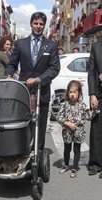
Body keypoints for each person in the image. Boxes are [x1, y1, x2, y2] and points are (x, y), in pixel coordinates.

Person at [5, 11, 60, 150]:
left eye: (41, 24)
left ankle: (38, 153)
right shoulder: (20, 44)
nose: (38, 26)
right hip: (23, 90)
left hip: (42, 90)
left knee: (40, 123)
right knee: (23, 120)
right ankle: (23, 150)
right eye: (36, 23)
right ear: (31, 24)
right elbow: (12, 64)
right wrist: (9, 76)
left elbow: (54, 68)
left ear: (44, 25)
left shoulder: (51, 45)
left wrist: (38, 79)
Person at [56, 80, 95, 178]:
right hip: (67, 132)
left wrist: (93, 110)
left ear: (79, 93)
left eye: (75, 92)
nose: (72, 95)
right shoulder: (64, 104)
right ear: (67, 93)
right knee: (67, 149)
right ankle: (66, 164)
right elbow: (59, 117)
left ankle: (75, 167)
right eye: (70, 92)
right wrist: (67, 123)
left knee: (77, 150)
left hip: (78, 132)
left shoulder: (82, 106)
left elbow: (88, 116)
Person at [87, 41, 102, 178]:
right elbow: (91, 72)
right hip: (99, 94)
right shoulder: (96, 47)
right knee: (96, 129)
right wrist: (92, 94)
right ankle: (95, 164)